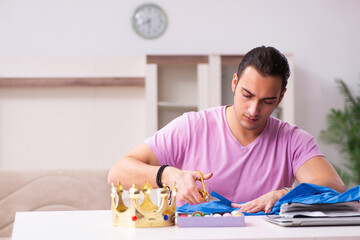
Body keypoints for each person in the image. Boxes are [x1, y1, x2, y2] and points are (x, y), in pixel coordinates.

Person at [108, 46, 346, 214]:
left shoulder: (292, 140)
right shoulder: (192, 127)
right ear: (234, 83)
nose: (254, 110)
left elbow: (334, 188)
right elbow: (118, 173)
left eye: (267, 101)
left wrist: (286, 194)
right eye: (247, 95)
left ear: (281, 96)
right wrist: (169, 176)